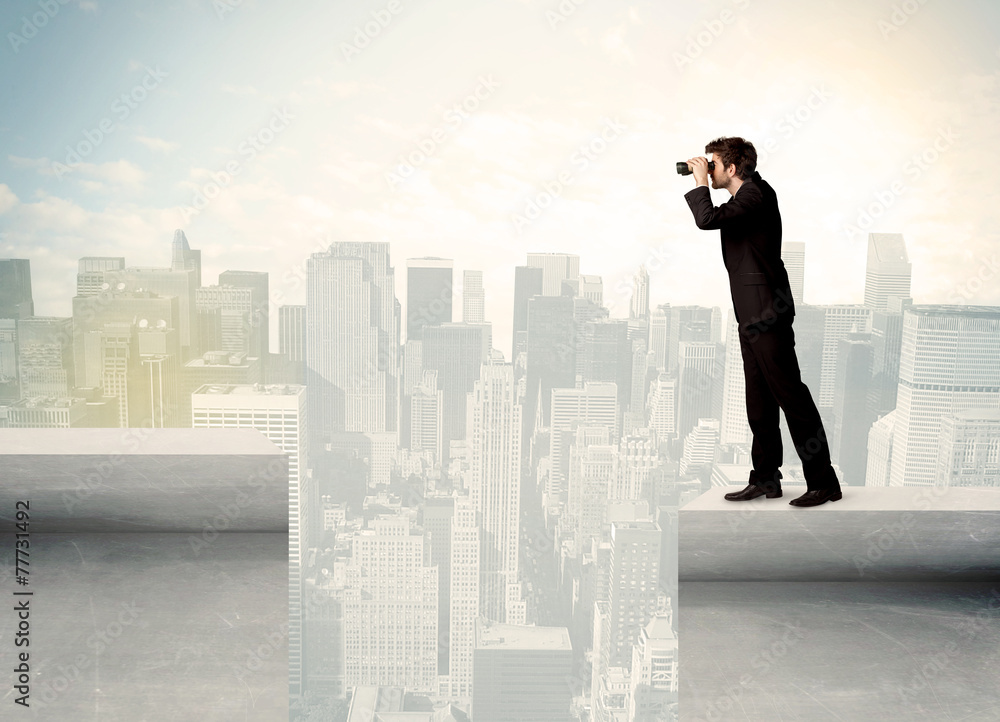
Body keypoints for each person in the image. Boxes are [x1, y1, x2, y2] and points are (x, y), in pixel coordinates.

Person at [683, 136, 842, 507]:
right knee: (759, 399)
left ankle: (824, 481)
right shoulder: (745, 198)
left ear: (732, 169)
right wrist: (708, 179)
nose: (709, 169)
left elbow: (707, 220)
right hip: (750, 313)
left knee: (791, 395)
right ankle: (766, 478)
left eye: (714, 164)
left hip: (767, 313)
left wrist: (700, 184)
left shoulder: (756, 196)